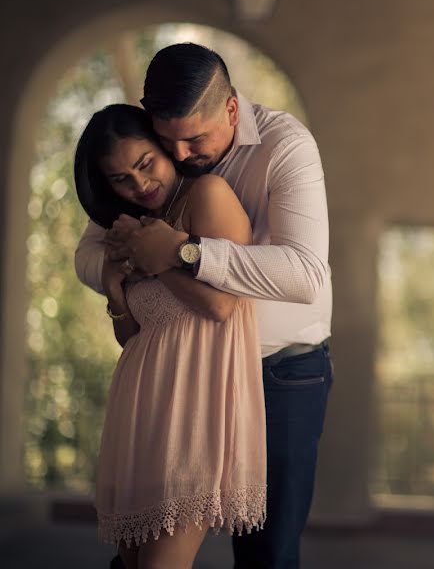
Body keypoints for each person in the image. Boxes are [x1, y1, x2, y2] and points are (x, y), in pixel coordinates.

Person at [75, 43, 333, 569]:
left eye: (196, 138)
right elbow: (90, 251)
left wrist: (180, 252)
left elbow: (305, 274)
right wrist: (115, 278)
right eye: (170, 142)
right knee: (138, 551)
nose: (183, 154)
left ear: (232, 110)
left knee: (267, 552)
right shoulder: (155, 154)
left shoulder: (286, 147)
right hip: (180, 377)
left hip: (279, 371)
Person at [73, 103, 267, 568]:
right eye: (121, 179)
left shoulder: (208, 195)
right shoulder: (135, 226)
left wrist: (154, 257)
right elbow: (134, 336)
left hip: (195, 416)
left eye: (145, 164)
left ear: (165, 147)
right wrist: (117, 292)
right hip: (141, 410)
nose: (139, 185)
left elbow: (222, 305)